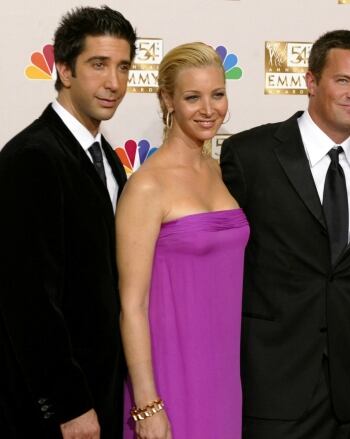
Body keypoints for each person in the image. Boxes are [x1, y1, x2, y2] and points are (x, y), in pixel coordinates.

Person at [220, 30, 350, 439]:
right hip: (274, 379)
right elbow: (223, 264)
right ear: (311, 82)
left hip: (348, 383)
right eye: (343, 81)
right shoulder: (250, 154)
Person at [0, 6, 135, 438]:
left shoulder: (108, 159)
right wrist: (69, 405)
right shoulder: (33, 157)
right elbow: (28, 299)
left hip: (105, 392)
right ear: (63, 68)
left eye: (123, 67)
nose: (114, 83)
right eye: (98, 65)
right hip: (57, 412)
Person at [117, 42, 248, 439]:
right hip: (169, 377)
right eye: (193, 97)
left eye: (218, 94)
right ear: (167, 100)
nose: (209, 109)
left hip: (223, 375)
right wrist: (148, 406)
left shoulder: (218, 170)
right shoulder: (147, 185)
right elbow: (132, 306)